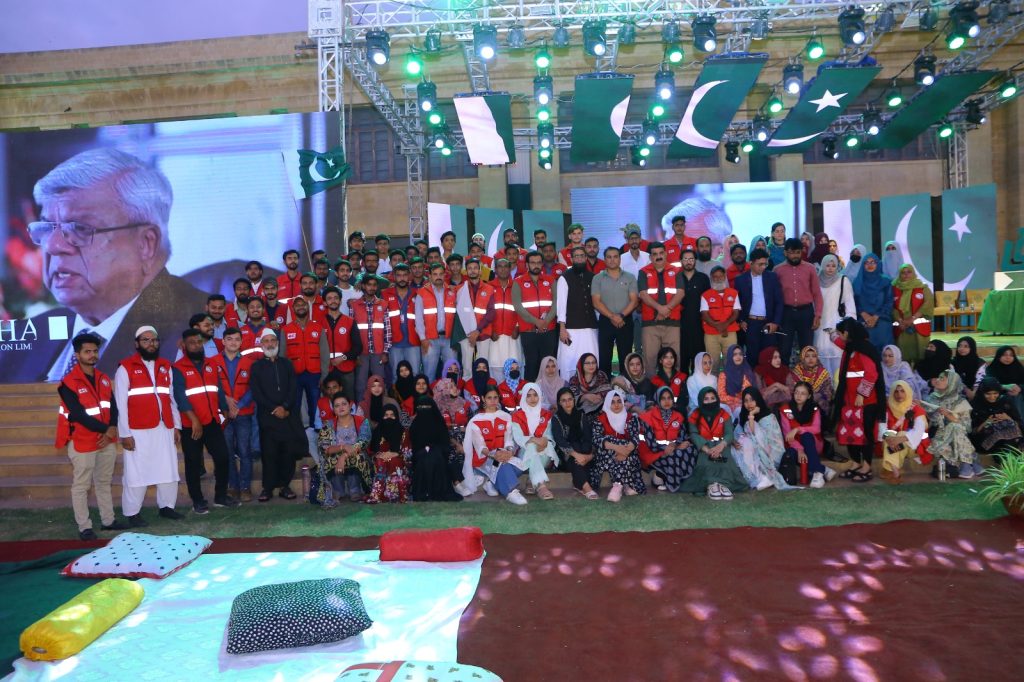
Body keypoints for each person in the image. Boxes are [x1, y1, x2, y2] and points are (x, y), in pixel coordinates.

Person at [9, 148, 209, 382]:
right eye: (45, 228)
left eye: (79, 228)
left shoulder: (207, 335)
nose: (53, 245)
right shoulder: (29, 334)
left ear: (146, 244)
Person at [56, 332, 128, 539]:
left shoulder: (104, 379)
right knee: (81, 485)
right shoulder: (68, 382)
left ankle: (108, 521)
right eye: (87, 352)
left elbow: (112, 407)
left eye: (95, 351)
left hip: (106, 440)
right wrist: (106, 430)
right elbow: (77, 414)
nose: (92, 355)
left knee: (104, 482)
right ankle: (84, 527)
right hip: (82, 440)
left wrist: (112, 428)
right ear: (77, 355)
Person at [114, 326, 184, 526]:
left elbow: (171, 399)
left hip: (164, 427)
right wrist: (125, 433)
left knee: (168, 469)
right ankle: (132, 513)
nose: (151, 344)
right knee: (136, 472)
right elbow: (121, 403)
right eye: (145, 340)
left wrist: (176, 426)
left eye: (154, 340)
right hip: (137, 430)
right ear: (137, 344)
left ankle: (167, 508)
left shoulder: (166, 366)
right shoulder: (125, 368)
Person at [249, 328, 304, 502]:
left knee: (287, 453)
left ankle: (284, 486)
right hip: (268, 417)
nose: (270, 344)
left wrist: (286, 407)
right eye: (266, 341)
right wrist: (275, 409)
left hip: (287, 416)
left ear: (278, 344)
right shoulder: (256, 366)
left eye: (273, 340)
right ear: (261, 344)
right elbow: (257, 393)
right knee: (269, 453)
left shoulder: (287, 364)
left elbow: (293, 389)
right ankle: (267, 488)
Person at [831, 318, 885, 483]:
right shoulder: (851, 348)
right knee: (850, 434)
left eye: (841, 333)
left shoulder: (863, 349)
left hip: (866, 402)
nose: (840, 337)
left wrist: (862, 394)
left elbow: (871, 374)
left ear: (847, 333)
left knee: (866, 434)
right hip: (850, 401)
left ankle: (867, 466)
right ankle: (855, 463)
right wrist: (831, 335)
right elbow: (840, 343)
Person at [209, 327, 257, 503]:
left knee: (245, 451)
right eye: (230, 339)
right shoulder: (212, 362)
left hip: (243, 413)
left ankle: (245, 487)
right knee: (227, 452)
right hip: (223, 414)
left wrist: (239, 405)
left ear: (241, 342)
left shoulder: (249, 362)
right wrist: (226, 401)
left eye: (237, 339)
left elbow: (253, 388)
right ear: (223, 341)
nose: (233, 342)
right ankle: (233, 486)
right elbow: (212, 387)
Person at [461, 386, 527, 505]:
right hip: (485, 458)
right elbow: (480, 446)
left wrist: (509, 452)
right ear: (483, 399)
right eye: (489, 398)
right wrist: (494, 455)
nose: (493, 401)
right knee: (503, 464)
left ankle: (491, 482)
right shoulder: (475, 420)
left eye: (495, 397)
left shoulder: (506, 417)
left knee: (520, 465)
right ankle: (511, 492)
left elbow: (509, 439)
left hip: (503, 454)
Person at [679, 387, 748, 500]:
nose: (710, 401)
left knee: (725, 462)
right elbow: (694, 434)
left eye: (712, 398)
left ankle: (723, 485)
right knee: (706, 463)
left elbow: (729, 433)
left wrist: (721, 446)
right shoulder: (694, 415)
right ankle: (712, 485)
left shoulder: (724, 414)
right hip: (704, 446)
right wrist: (706, 449)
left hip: (721, 445)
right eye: (706, 399)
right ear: (701, 400)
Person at [314, 393, 372, 505]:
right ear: (333, 409)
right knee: (330, 459)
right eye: (337, 405)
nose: (341, 407)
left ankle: (355, 490)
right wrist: (343, 447)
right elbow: (325, 448)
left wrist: (343, 456)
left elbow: (363, 442)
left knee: (358, 457)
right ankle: (337, 490)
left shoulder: (362, 421)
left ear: (350, 405)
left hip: (356, 455)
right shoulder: (328, 425)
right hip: (336, 456)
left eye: (344, 404)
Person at [638, 386, 699, 492]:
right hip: (653, 452)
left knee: (691, 449)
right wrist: (670, 448)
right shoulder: (647, 417)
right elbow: (650, 443)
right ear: (657, 400)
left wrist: (678, 445)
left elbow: (682, 436)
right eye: (663, 398)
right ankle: (673, 484)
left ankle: (679, 479)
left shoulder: (678, 416)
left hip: (673, 448)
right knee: (675, 455)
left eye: (669, 398)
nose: (667, 401)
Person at [732, 387, 793, 491]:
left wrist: (751, 416)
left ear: (758, 399)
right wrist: (734, 442)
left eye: (752, 400)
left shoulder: (768, 417)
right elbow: (738, 435)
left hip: (770, 456)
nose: (749, 404)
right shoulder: (743, 416)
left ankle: (762, 478)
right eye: (746, 401)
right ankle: (756, 478)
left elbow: (773, 442)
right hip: (754, 453)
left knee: (747, 442)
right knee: (740, 445)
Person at [773, 238, 823, 364]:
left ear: (802, 252)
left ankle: (806, 382)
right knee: (784, 349)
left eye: (798, 252)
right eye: (791, 252)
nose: (795, 256)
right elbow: (774, 297)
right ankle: (783, 380)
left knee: (807, 350)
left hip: (806, 313)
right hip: (786, 314)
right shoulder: (777, 270)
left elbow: (817, 294)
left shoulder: (810, 268)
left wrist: (817, 315)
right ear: (785, 253)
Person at [924, 369, 980, 479]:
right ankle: (970, 461)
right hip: (937, 433)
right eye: (938, 377)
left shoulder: (961, 402)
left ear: (951, 383)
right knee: (955, 428)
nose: (938, 381)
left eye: (942, 379)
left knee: (955, 427)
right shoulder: (931, 398)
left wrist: (950, 417)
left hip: (957, 434)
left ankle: (966, 464)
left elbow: (967, 427)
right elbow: (928, 421)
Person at [591, 389, 646, 501]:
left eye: (619, 401)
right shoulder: (600, 419)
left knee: (626, 448)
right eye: (612, 402)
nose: (616, 405)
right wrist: (618, 448)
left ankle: (617, 486)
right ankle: (625, 485)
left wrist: (625, 452)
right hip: (606, 456)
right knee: (610, 439)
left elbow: (635, 438)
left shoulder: (631, 418)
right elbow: (596, 439)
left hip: (627, 455)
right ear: (607, 403)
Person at [591, 246, 638, 377]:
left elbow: (634, 301)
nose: (612, 260)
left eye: (615, 256)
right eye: (609, 257)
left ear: (620, 259)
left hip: (625, 320)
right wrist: (613, 316)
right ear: (604, 259)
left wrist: (621, 316)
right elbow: (596, 302)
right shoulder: (597, 278)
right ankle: (604, 386)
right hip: (606, 321)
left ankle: (626, 385)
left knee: (626, 356)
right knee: (604, 357)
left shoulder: (630, 277)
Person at [638, 242, 684, 375]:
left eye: (661, 253)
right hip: (650, 324)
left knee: (673, 360)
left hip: (672, 323)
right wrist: (660, 309)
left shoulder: (677, 271)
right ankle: (652, 393)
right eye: (654, 254)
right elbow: (643, 295)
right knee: (650, 361)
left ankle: (674, 391)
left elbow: (680, 293)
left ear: (665, 253)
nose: (658, 256)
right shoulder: (643, 272)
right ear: (650, 257)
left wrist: (665, 309)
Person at [282, 296, 328, 429]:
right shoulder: (286, 329)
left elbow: (324, 353)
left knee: (315, 406)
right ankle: (296, 434)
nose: (301, 307)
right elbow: (282, 355)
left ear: (308, 307)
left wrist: (323, 375)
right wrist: (285, 377)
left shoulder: (318, 328)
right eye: (297, 305)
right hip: (294, 375)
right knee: (294, 406)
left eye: (303, 304)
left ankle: (316, 432)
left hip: (314, 374)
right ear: (293, 308)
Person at [512, 251, 558, 382]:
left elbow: (556, 303)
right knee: (531, 365)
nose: (536, 265)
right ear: (527, 264)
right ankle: (530, 395)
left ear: (542, 264)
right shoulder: (518, 282)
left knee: (549, 365)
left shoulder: (550, 280)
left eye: (539, 262)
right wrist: (536, 321)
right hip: (528, 331)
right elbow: (518, 307)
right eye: (533, 262)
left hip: (548, 330)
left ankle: (549, 397)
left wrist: (546, 321)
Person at [509, 383, 558, 500]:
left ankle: (531, 481)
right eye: (529, 395)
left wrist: (545, 441)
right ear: (524, 397)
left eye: (535, 395)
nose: (532, 399)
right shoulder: (517, 416)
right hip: (524, 453)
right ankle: (541, 486)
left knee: (545, 447)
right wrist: (534, 440)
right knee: (531, 447)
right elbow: (519, 438)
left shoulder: (546, 415)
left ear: (540, 396)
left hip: (543, 450)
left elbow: (550, 435)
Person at [735, 249, 783, 367]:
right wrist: (741, 320)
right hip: (751, 324)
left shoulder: (772, 277)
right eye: (760, 264)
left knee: (770, 357)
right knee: (753, 358)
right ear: (751, 263)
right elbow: (738, 303)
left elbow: (779, 302)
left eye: (765, 264)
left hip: (769, 323)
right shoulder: (740, 280)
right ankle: (754, 385)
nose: (763, 267)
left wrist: (776, 323)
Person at [780, 382, 833, 489]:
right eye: (797, 393)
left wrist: (798, 429)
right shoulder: (785, 409)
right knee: (790, 453)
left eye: (803, 394)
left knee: (806, 436)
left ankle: (817, 473)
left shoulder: (814, 409)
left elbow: (816, 429)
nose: (799, 396)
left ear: (809, 396)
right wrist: (799, 449)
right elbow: (787, 434)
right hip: (794, 444)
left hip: (813, 443)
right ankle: (822, 469)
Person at [556, 246, 599, 378]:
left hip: (590, 328)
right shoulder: (564, 278)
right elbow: (561, 305)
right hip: (570, 329)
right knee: (569, 362)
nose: (579, 258)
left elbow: (596, 304)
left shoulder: (593, 277)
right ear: (572, 259)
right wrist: (562, 328)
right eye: (576, 256)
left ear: (586, 258)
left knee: (591, 360)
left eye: (582, 256)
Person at [878, 380, 930, 484]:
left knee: (901, 434)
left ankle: (888, 470)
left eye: (902, 391)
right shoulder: (887, 408)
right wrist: (889, 438)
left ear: (908, 392)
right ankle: (895, 472)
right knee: (890, 434)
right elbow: (882, 428)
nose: (899, 394)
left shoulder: (916, 409)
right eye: (896, 392)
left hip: (914, 447)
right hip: (892, 443)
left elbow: (919, 432)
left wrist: (899, 439)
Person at [551, 387, 598, 499]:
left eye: (570, 399)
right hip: (566, 457)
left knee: (583, 445)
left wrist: (588, 456)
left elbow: (588, 437)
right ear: (559, 403)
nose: (568, 403)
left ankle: (579, 484)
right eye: (564, 400)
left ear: (574, 400)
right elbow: (560, 441)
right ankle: (586, 487)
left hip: (584, 455)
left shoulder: (581, 415)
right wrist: (578, 455)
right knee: (575, 446)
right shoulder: (556, 418)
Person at [814, 254, 856, 377]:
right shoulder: (815, 280)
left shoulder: (843, 280)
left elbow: (850, 306)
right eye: (827, 265)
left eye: (833, 265)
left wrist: (847, 330)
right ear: (822, 265)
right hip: (819, 325)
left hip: (837, 326)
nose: (830, 268)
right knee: (820, 361)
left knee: (838, 362)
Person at [455, 257, 496, 380]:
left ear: (480, 271)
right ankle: (468, 394)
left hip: (483, 333)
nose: (472, 271)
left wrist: (477, 330)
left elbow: (491, 312)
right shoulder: (460, 290)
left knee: (483, 367)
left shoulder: (489, 289)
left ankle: (483, 394)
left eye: (475, 268)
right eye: (469, 268)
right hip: (466, 335)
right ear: (466, 271)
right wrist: (470, 333)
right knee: (467, 369)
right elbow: (458, 314)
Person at [352, 275, 393, 398]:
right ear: (363, 286)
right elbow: (351, 332)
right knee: (360, 385)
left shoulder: (384, 304)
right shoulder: (354, 305)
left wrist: (386, 352)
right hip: (361, 353)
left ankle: (383, 410)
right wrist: (355, 354)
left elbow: (388, 330)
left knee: (380, 383)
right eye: (369, 285)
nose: (371, 288)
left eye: (374, 285)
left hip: (379, 352)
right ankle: (361, 412)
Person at [416, 263, 458, 381]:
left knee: (452, 374)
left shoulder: (452, 291)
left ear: (445, 275)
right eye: (435, 274)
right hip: (430, 340)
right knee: (429, 374)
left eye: (440, 274)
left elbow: (457, 318)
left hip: (449, 340)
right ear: (429, 276)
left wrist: (456, 339)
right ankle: (428, 399)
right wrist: (423, 339)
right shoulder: (422, 293)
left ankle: (451, 398)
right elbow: (418, 319)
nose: (438, 276)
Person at [486, 257, 524, 383]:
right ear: (495, 269)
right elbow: (484, 312)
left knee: (515, 366)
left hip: (513, 335)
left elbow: (522, 309)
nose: (503, 269)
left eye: (505, 266)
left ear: (510, 268)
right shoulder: (488, 287)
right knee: (495, 366)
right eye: (500, 266)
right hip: (495, 335)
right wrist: (490, 330)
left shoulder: (517, 286)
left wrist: (518, 327)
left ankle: (515, 395)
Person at [433, 378, 473, 491]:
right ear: (443, 390)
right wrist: (456, 443)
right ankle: (456, 482)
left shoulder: (464, 404)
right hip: (447, 439)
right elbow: (439, 430)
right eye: (450, 387)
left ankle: (464, 480)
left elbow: (472, 424)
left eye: (454, 386)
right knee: (451, 452)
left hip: (465, 438)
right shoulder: (437, 408)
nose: (454, 388)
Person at [321, 286, 359, 401]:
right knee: (327, 402)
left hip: (346, 368)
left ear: (340, 300)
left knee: (349, 400)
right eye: (330, 298)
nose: (333, 301)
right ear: (325, 302)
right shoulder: (318, 323)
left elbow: (358, 347)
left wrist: (343, 358)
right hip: (326, 369)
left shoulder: (350, 321)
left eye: (336, 298)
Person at [970, 376, 1024, 456]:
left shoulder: (1005, 401)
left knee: (1009, 436)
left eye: (995, 393)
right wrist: (986, 423)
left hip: (1010, 440)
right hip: (986, 441)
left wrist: (1008, 418)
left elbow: (1019, 422)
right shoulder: (976, 404)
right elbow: (972, 432)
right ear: (982, 392)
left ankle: (1010, 460)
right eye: (988, 394)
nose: (992, 397)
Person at [892, 264, 934, 365]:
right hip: (901, 329)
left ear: (913, 273)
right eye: (903, 272)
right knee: (902, 358)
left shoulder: (922, 287)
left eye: (909, 272)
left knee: (921, 358)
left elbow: (928, 304)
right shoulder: (893, 288)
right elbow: (890, 306)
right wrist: (900, 320)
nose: (906, 275)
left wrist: (912, 319)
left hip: (919, 329)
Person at [852, 253, 894, 351]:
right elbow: (854, 302)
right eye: (866, 263)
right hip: (862, 319)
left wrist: (875, 316)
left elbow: (889, 302)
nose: (870, 265)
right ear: (863, 265)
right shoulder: (857, 282)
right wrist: (864, 315)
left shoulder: (885, 282)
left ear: (878, 264)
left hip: (882, 318)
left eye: (873, 262)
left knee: (883, 333)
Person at [699, 265, 739, 369]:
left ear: (725, 276)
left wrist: (725, 325)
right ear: (711, 278)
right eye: (715, 277)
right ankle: (713, 384)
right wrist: (717, 326)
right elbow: (704, 314)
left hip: (730, 332)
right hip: (711, 333)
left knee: (731, 360)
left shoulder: (733, 293)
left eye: (720, 276)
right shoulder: (705, 295)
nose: (718, 279)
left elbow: (736, 312)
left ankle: (729, 384)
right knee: (712, 362)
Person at [678, 251, 711, 373]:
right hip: (680, 326)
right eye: (685, 259)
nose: (688, 261)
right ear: (681, 261)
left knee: (698, 361)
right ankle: (682, 388)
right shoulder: (676, 278)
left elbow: (708, 302)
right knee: (682, 361)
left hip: (699, 325)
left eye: (691, 259)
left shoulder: (703, 278)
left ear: (695, 261)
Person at [792, 346, 835, 417]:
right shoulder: (796, 372)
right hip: (799, 402)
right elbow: (792, 392)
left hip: (817, 404)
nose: (811, 359)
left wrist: (818, 396)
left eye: (814, 356)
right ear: (802, 358)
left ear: (817, 358)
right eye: (807, 356)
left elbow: (828, 393)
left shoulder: (823, 372)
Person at [985, 345, 1024, 418]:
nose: (1008, 357)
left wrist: (1020, 388)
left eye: (1011, 355)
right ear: (999, 356)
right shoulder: (992, 369)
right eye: (1005, 355)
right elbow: (988, 384)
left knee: (1017, 396)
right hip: (999, 395)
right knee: (1015, 397)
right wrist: (1005, 387)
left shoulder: (1018, 368)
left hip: (1019, 394)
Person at [718, 344, 756, 417]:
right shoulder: (723, 375)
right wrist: (737, 400)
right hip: (730, 407)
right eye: (735, 354)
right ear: (730, 356)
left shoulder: (747, 372)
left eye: (740, 354)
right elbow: (721, 396)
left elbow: (752, 391)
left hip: (748, 405)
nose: (738, 357)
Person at [651, 346, 688, 413]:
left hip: (679, 410)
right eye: (665, 357)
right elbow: (654, 400)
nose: (669, 360)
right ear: (660, 360)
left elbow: (684, 397)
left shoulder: (682, 377)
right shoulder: (655, 380)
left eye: (671, 357)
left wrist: (675, 405)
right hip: (661, 411)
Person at [952, 336, 988, 401]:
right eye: (959, 346)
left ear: (972, 348)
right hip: (957, 393)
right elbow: (953, 379)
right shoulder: (953, 362)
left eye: (966, 346)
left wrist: (974, 392)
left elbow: (980, 379)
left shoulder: (980, 363)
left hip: (976, 392)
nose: (961, 349)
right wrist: (966, 389)